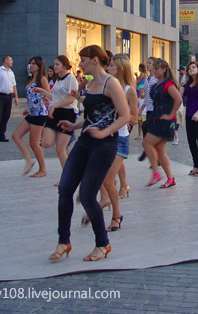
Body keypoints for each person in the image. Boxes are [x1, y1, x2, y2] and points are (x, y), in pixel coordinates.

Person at [50, 45, 130, 262]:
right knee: (65, 188)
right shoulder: (91, 84)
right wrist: (73, 125)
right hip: (85, 141)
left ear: (95, 60)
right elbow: (93, 117)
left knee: (86, 195)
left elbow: (125, 116)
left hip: (104, 146)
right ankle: (63, 241)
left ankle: (103, 244)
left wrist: (104, 133)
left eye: (83, 59)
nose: (80, 63)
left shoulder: (110, 83)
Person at [98, 53, 138, 232]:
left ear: (120, 68)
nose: (108, 68)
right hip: (104, 136)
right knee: (101, 177)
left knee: (107, 179)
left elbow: (135, 119)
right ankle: (106, 200)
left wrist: (121, 116)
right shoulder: (106, 85)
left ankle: (116, 215)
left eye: (112, 66)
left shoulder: (129, 90)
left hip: (120, 138)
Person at [141, 59, 183, 188]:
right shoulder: (156, 84)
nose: (154, 71)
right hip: (159, 119)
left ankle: (156, 173)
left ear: (164, 69)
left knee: (146, 142)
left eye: (157, 69)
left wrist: (171, 114)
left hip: (166, 121)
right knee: (160, 151)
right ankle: (170, 178)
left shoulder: (168, 84)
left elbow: (178, 99)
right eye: (154, 68)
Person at [12, 56, 50, 177]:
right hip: (31, 112)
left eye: (34, 63)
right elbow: (31, 97)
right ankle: (29, 160)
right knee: (16, 135)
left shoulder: (42, 78)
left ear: (39, 66)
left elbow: (49, 95)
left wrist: (44, 96)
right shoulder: (31, 78)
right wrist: (27, 109)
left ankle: (43, 169)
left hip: (39, 114)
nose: (31, 65)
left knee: (34, 142)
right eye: (30, 63)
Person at [40, 56, 78, 170]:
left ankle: (67, 177)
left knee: (60, 149)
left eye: (57, 64)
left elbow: (71, 99)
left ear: (65, 66)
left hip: (67, 113)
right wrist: (42, 91)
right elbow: (55, 98)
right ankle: (62, 134)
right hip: (55, 113)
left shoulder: (71, 79)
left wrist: (54, 105)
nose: (54, 66)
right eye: (54, 64)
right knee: (46, 143)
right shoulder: (58, 80)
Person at [0, 56, 17, 143]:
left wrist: (16, 97)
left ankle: (2, 135)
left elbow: (14, 85)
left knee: (6, 116)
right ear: (5, 61)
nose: (12, 61)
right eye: (10, 60)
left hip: (8, 96)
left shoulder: (11, 72)